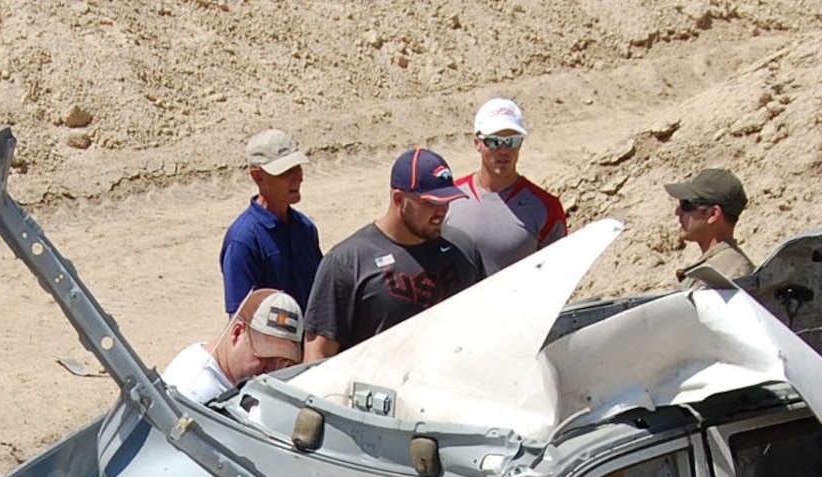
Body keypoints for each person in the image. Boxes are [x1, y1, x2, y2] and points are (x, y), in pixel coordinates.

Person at [303, 148, 479, 363]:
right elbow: (317, 354)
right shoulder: (348, 263)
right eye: (431, 203)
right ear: (399, 199)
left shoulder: (462, 249)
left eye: (446, 201)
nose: (442, 211)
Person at [444, 98, 569, 275]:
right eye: (494, 141)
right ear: (477, 143)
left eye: (512, 141)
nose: (503, 150)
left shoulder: (547, 208)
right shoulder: (448, 199)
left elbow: (558, 274)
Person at [220, 129, 322, 314]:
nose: (298, 178)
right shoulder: (243, 242)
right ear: (258, 177)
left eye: (298, 168)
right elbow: (243, 321)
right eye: (286, 172)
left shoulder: (305, 228)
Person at [163, 288, 304, 400]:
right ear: (237, 333)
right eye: (266, 356)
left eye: (283, 361)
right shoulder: (196, 393)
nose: (273, 370)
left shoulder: (224, 373)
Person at [666, 167, 755, 289]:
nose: (678, 212)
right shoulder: (717, 266)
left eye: (687, 204)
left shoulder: (730, 271)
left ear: (713, 214)